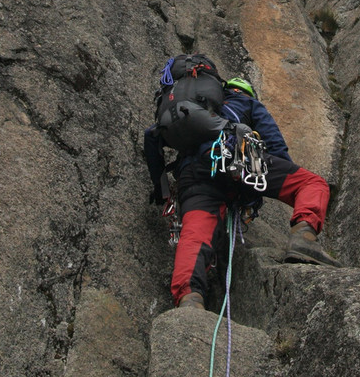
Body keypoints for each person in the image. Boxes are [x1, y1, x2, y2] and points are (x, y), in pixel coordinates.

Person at [144, 66, 340, 309]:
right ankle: (304, 237)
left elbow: (151, 138)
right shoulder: (247, 104)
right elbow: (274, 144)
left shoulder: (194, 112)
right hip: (235, 159)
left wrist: (160, 188)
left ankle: (189, 298)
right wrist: (278, 173)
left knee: (195, 236)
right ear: (247, 93)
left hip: (193, 176)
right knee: (312, 183)